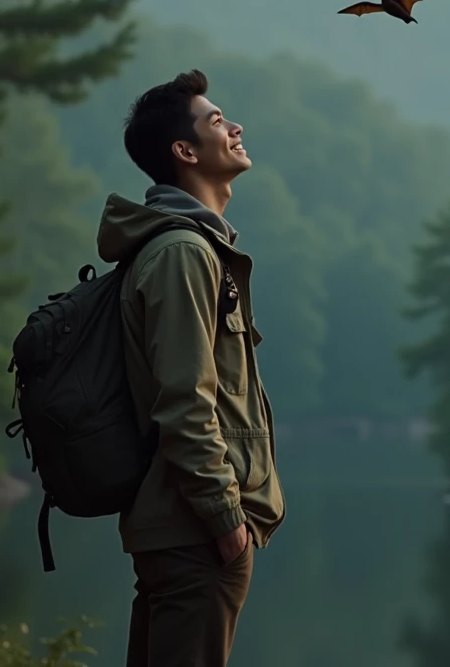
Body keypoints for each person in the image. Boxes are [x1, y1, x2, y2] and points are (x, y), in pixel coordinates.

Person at [96, 69, 286, 666]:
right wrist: (226, 521)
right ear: (185, 151)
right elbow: (184, 401)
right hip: (196, 533)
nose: (236, 128)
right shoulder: (183, 253)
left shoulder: (187, 247)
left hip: (184, 530)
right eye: (217, 121)